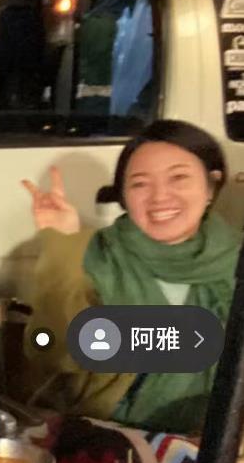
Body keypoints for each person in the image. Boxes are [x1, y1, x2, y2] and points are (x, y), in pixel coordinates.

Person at [21, 120, 239, 436]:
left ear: (212, 184)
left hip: (223, 442)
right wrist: (62, 244)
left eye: (178, 178)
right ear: (123, 195)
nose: (159, 196)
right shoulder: (94, 255)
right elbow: (49, 351)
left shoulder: (236, 257)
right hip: (110, 438)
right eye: (140, 184)